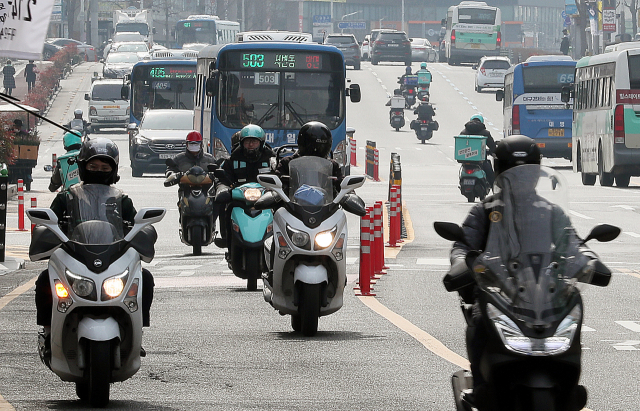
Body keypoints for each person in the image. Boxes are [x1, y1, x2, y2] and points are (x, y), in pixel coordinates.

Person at [35, 137, 156, 362]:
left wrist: (144, 232)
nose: (98, 171)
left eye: (104, 167)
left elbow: (139, 224)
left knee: (145, 279)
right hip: (75, 256)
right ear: (82, 167)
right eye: (93, 166)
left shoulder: (122, 200)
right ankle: (48, 331)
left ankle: (138, 332)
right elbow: (47, 223)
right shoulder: (66, 197)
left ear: (113, 170)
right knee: (44, 280)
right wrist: (46, 232)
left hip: (111, 257)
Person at [449, 135, 542, 407]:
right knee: (478, 324)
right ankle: (480, 386)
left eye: (526, 173)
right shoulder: (486, 211)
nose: (521, 180)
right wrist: (462, 263)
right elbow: (463, 245)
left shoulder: (549, 211)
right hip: (498, 296)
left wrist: (586, 260)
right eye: (515, 173)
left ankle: (568, 382)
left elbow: (570, 244)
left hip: (541, 299)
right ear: (500, 173)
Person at [213, 124, 275, 247]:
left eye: (254, 141)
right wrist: (222, 188)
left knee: (281, 211)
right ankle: (226, 237)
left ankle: (281, 241)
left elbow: (280, 175)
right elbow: (222, 177)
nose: (250, 145)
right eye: (247, 142)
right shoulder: (233, 160)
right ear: (241, 143)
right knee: (225, 206)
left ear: (261, 143)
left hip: (266, 197)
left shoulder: (271, 159)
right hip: (240, 197)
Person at [274, 121, 343, 195]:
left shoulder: (332, 166)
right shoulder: (287, 163)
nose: (316, 150)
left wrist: (349, 192)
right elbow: (275, 184)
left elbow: (343, 184)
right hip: (291, 204)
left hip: (326, 204)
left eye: (321, 146)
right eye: (313, 146)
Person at [460, 114, 497, 187]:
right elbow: (492, 146)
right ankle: (495, 189)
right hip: (481, 161)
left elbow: (460, 145)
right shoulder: (485, 133)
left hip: (466, 161)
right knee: (490, 173)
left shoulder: (463, 132)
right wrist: (493, 151)